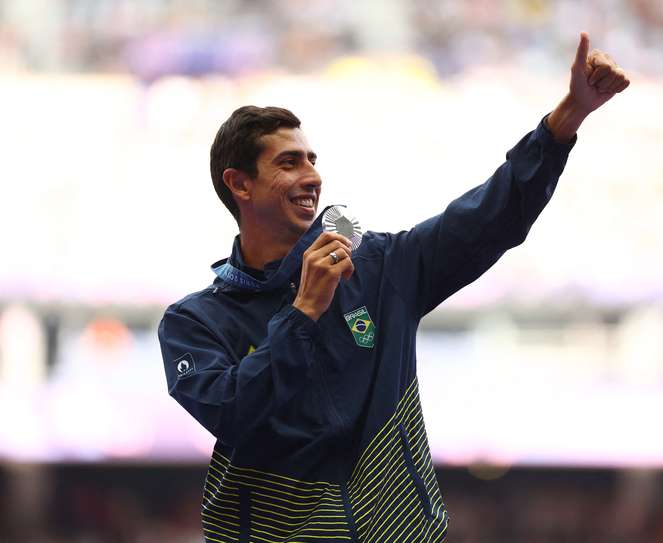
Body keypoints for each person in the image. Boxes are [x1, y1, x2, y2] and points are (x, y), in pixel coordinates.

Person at [158, 32, 629, 543]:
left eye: (312, 160)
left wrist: (566, 120)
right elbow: (234, 414)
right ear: (240, 184)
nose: (312, 176)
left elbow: (489, 219)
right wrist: (301, 314)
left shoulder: (379, 266)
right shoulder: (193, 323)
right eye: (288, 163)